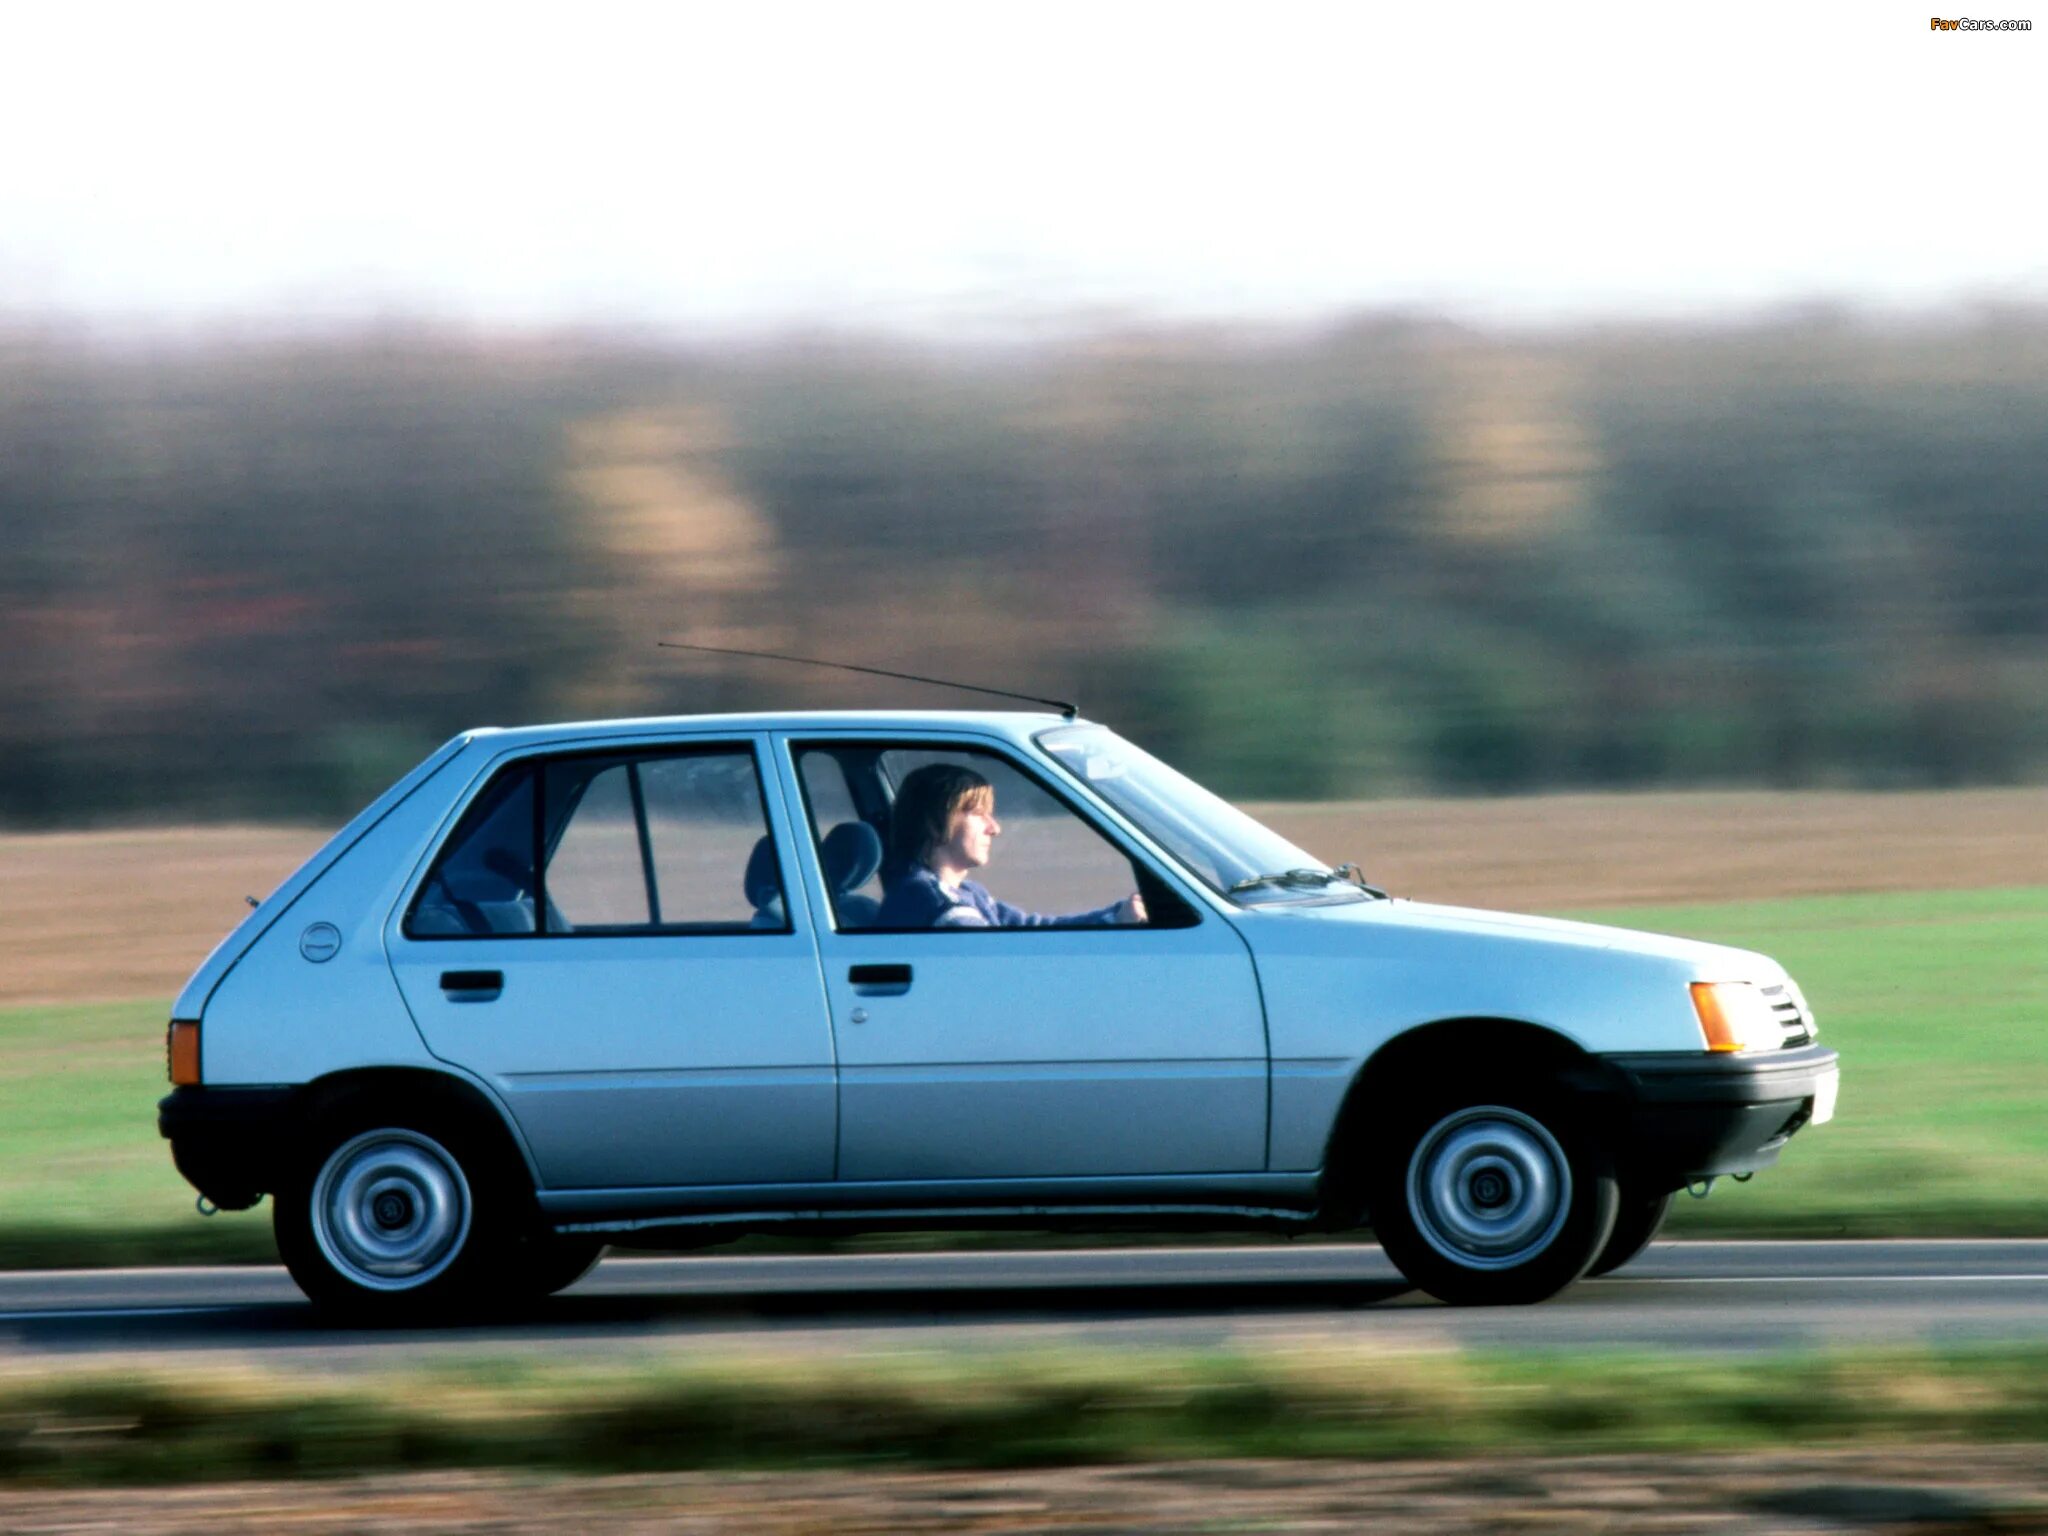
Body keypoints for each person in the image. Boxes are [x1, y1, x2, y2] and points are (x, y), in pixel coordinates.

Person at [876, 762, 1146, 929]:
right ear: (935, 823)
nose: (994, 828)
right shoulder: (934, 900)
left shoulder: (968, 893)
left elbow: (1032, 929)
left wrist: (1116, 917)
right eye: (978, 814)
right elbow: (996, 961)